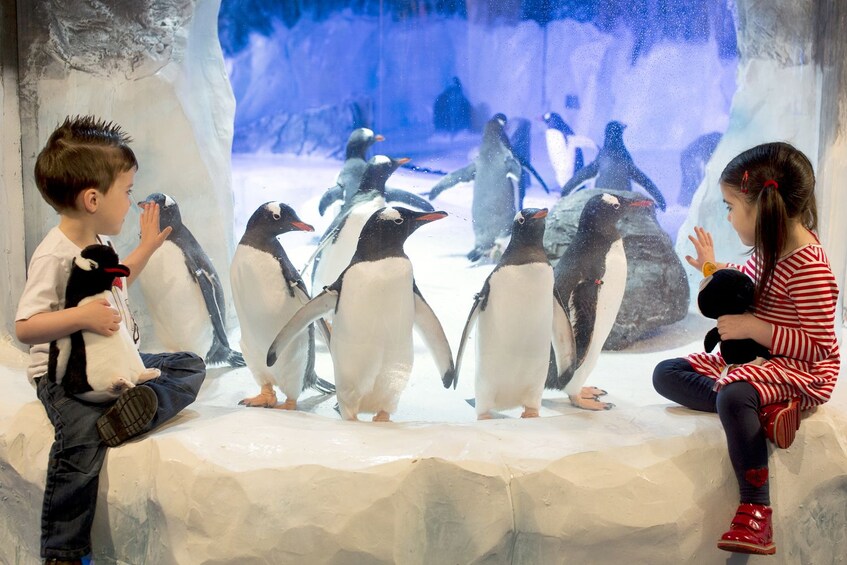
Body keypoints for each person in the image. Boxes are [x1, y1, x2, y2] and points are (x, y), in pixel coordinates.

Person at [14, 116, 207, 565]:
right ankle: (64, 550)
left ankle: (129, 411)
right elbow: (26, 326)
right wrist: (78, 316)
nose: (131, 201)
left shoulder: (97, 238)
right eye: (127, 191)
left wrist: (146, 247)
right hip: (68, 376)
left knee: (188, 364)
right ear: (93, 198)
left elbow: (117, 282)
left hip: (119, 360)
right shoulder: (55, 254)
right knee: (79, 443)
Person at [652, 141, 839, 556]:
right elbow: (746, 283)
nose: (729, 217)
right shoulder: (769, 248)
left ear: (760, 208)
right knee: (666, 373)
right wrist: (710, 268)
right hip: (761, 361)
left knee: (735, 394)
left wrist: (755, 325)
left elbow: (820, 348)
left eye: (730, 207)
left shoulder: (809, 266)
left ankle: (756, 510)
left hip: (802, 371)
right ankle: (763, 411)